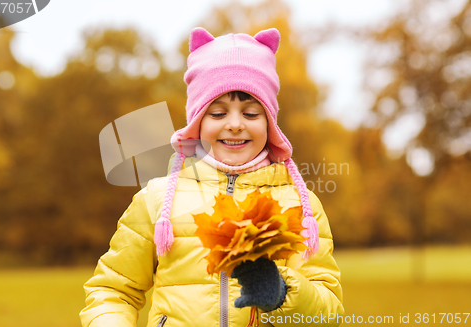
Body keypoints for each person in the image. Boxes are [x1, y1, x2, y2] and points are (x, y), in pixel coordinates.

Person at [80, 27, 344, 327]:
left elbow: (329, 314)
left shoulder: (300, 205)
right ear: (196, 123)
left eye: (251, 113)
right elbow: (112, 291)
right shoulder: (156, 200)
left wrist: (283, 294)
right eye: (218, 113)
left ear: (270, 123)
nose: (234, 124)